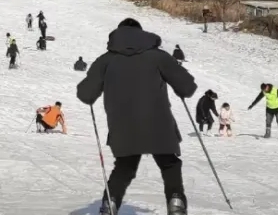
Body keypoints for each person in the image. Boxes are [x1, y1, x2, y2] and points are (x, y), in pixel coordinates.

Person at [77, 18, 197, 215]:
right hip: (159, 125)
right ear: (141, 34)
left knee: (124, 166)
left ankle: (110, 203)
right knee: (169, 164)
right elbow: (187, 87)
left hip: (122, 128)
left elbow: (85, 94)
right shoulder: (158, 56)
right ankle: (176, 203)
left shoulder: (105, 60)